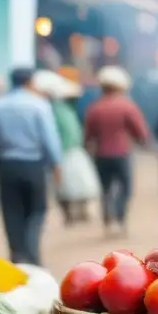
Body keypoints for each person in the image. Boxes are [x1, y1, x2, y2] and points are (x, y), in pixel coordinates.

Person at [0, 67, 62, 265]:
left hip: (6, 167)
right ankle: (33, 255)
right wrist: (57, 166)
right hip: (34, 166)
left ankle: (18, 257)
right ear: (30, 82)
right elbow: (49, 140)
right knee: (37, 211)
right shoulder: (39, 105)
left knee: (11, 212)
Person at [83, 65, 149, 238]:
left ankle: (107, 218)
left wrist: (87, 147)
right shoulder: (127, 106)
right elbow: (140, 131)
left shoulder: (95, 108)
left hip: (101, 155)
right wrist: (144, 142)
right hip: (121, 153)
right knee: (125, 187)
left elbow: (88, 134)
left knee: (105, 188)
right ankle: (120, 217)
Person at [33, 69, 99, 226]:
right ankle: (71, 214)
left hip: (70, 150)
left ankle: (76, 213)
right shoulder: (56, 110)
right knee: (68, 185)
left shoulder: (61, 109)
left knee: (74, 185)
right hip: (65, 151)